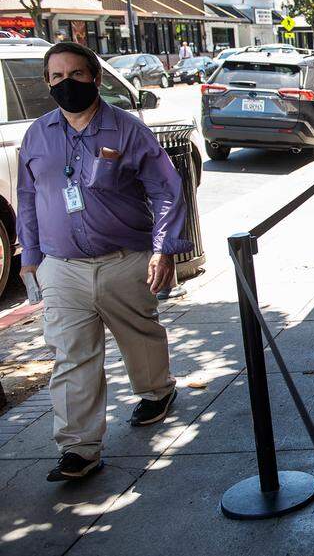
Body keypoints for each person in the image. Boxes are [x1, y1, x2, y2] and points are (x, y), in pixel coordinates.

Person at [17, 42, 191, 482]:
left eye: (76, 74)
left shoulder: (127, 130)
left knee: (139, 334)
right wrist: (30, 257)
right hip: (62, 268)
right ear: (47, 83)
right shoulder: (37, 135)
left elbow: (165, 189)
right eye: (57, 77)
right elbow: (27, 197)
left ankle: (156, 392)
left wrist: (164, 248)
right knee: (71, 357)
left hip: (124, 260)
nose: (67, 83)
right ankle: (79, 448)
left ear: (95, 78)